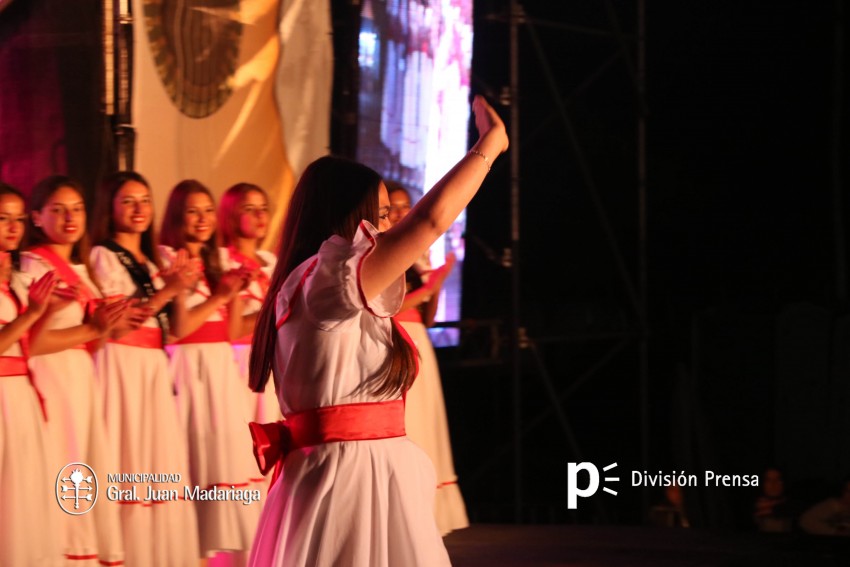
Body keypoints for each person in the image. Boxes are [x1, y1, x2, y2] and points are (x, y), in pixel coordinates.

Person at [246, 95, 507, 566]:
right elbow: (429, 221)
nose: (390, 228)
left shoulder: (321, 281)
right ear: (347, 216)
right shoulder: (330, 276)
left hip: (363, 467)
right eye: (382, 215)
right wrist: (489, 147)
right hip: (351, 474)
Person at [89, 171, 201, 566]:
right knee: (130, 453)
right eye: (128, 202)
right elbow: (124, 319)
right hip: (123, 363)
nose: (139, 210)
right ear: (110, 207)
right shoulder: (103, 254)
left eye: (144, 200)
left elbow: (181, 326)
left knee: (158, 458)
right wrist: (170, 289)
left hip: (154, 365)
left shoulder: (157, 258)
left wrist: (187, 289)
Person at [22, 175, 127, 565]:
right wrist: (93, 328)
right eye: (58, 210)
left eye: (78, 209)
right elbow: (33, 342)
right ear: (36, 217)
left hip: (82, 375)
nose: (70, 218)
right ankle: (64, 551)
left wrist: (106, 328)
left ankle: (85, 549)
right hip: (52, 375)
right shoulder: (32, 267)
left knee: (82, 457)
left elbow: (93, 340)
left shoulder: (82, 269)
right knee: (64, 459)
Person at [159, 179, 259, 563]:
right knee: (194, 455)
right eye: (192, 211)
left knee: (222, 455)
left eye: (206, 211)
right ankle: (192, 551)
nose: (202, 219)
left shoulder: (216, 261)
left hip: (219, 366)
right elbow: (180, 327)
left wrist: (232, 292)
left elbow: (232, 331)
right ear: (176, 217)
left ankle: (220, 553)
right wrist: (221, 295)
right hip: (189, 367)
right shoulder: (173, 259)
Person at [387, 182, 469, 535]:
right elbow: (386, 307)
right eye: (393, 206)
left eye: (406, 206)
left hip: (419, 337)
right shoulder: (382, 250)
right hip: (395, 338)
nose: (401, 213)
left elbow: (430, 315)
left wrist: (433, 287)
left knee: (425, 419)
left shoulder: (415, 253)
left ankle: (429, 513)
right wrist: (427, 289)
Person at [0, 182, 63, 566]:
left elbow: (29, 345)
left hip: (21, 394)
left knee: (22, 491)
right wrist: (33, 313)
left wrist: (46, 311)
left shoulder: (18, 278)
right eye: (2, 218)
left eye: (19, 219)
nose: (13, 227)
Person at [217, 183, 280, 426]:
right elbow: (234, 328)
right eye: (249, 209)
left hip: (275, 360)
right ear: (231, 216)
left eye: (263, 208)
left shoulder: (271, 262)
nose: (260, 215)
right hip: (243, 362)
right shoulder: (225, 262)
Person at [753, 467, 793, 533]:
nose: (773, 484)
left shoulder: (793, 506)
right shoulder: (753, 507)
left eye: (778, 479)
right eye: (768, 480)